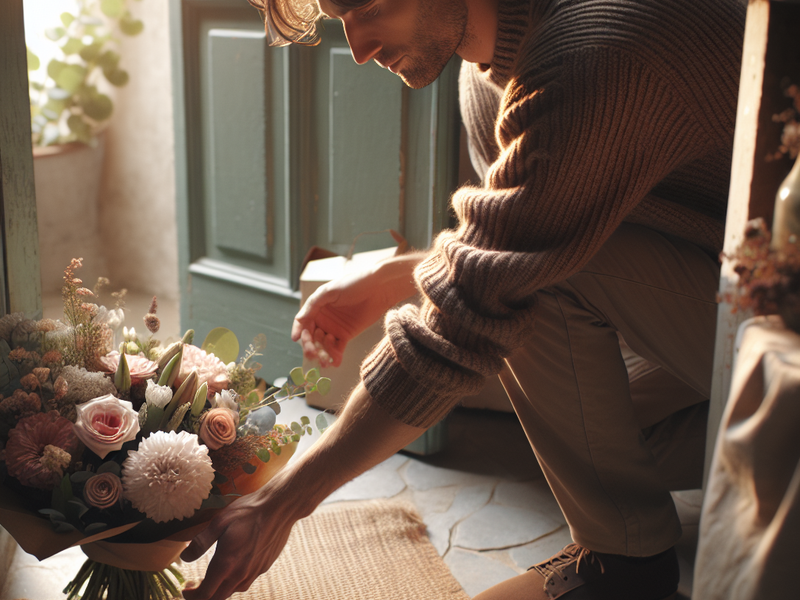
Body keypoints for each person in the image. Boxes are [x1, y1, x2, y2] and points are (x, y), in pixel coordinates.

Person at [181, 0, 747, 598]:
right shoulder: (483, 78)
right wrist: (392, 278)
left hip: (779, 322)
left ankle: (626, 566)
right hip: (717, 290)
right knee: (610, 446)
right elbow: (523, 229)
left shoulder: (591, 51)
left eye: (369, 7)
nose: (359, 49)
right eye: (339, 19)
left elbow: (489, 293)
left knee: (533, 290)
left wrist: (280, 503)